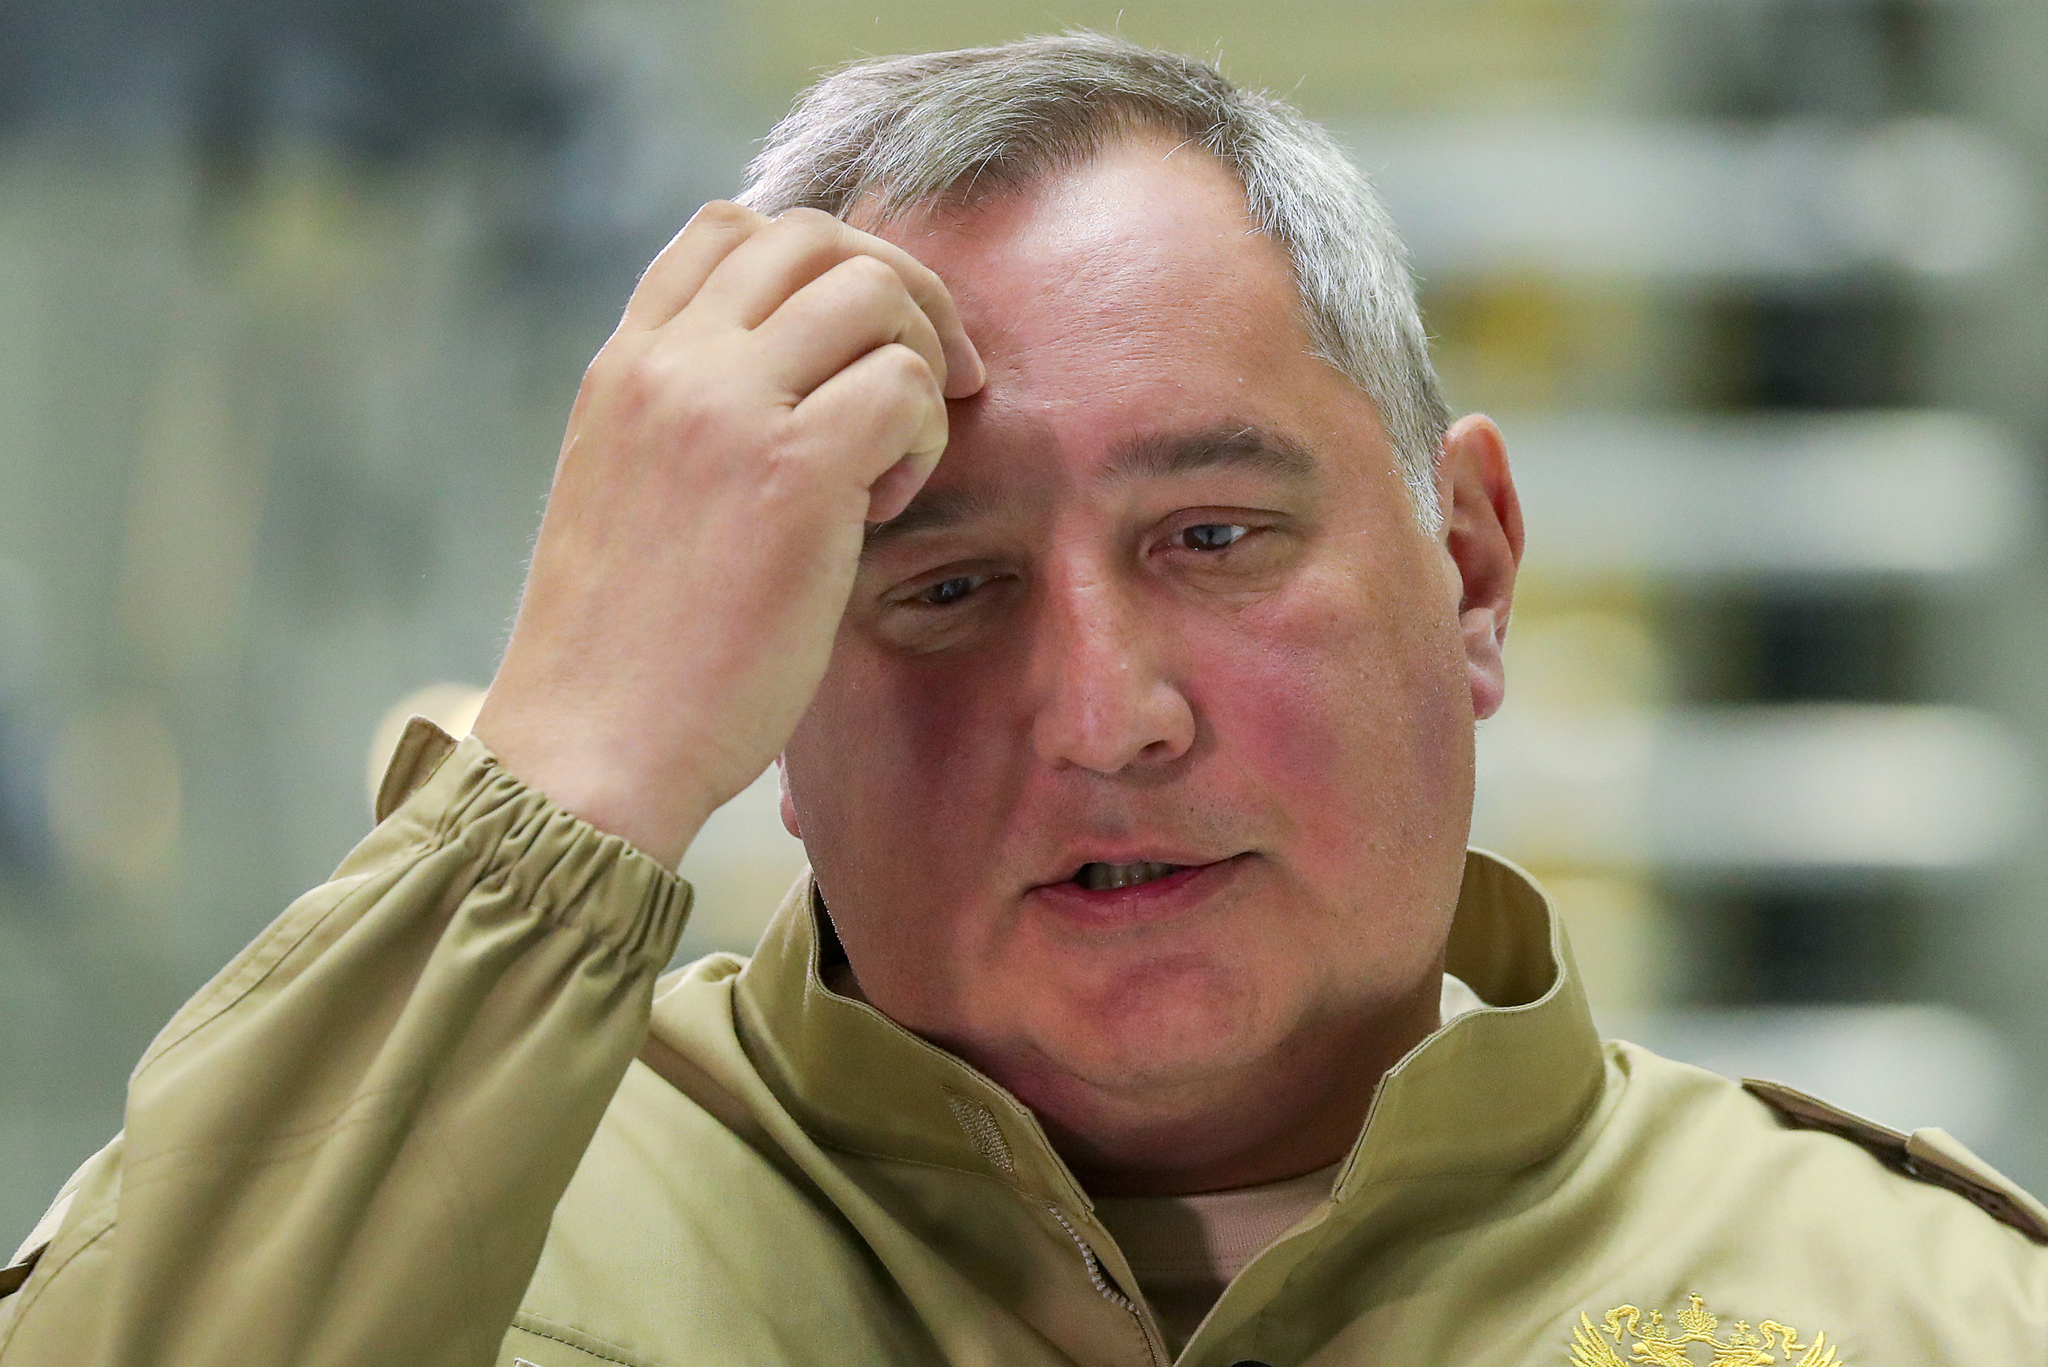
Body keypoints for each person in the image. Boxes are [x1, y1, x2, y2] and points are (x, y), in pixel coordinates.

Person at [3, 31, 2045, 1367]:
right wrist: (575, 765)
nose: (1102, 714)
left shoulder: (1918, 1313)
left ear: (1474, 570)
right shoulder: (481, 1262)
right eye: (943, 587)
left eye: (1213, 538)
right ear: (767, 694)